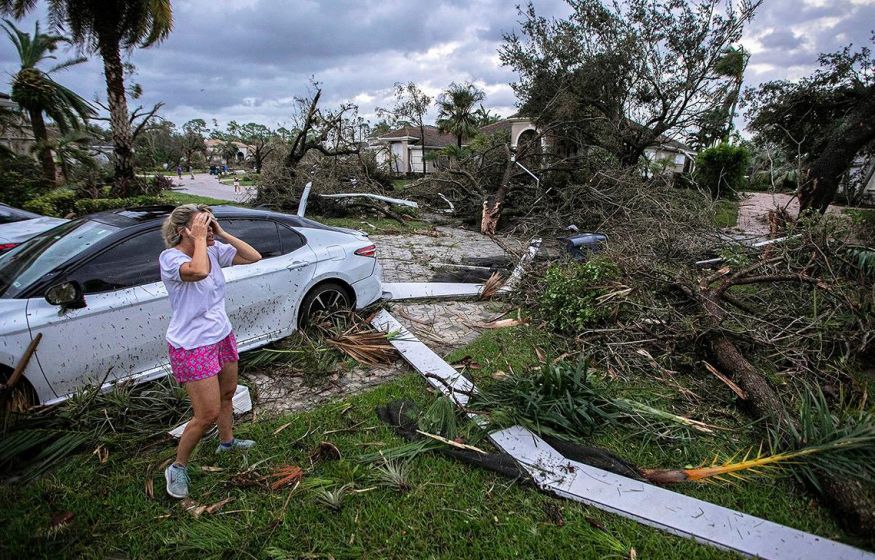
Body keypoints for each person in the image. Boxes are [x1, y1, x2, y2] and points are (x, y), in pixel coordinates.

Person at [159, 204, 262, 498]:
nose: (208, 227)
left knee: (228, 394)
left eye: (209, 222)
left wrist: (221, 232)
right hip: (192, 345)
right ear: (183, 231)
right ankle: (177, 467)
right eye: (202, 224)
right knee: (206, 414)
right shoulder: (170, 258)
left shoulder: (214, 250)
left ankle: (227, 442)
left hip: (221, 335)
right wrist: (202, 240)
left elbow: (253, 256)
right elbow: (199, 271)